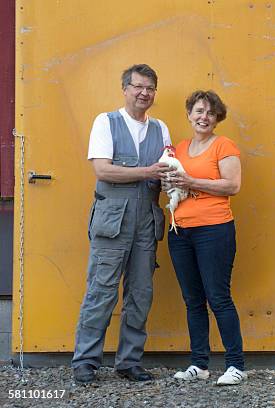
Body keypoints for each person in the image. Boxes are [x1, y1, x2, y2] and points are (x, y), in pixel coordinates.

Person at [72, 64, 172, 383]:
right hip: (112, 221)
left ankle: (129, 362)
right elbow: (103, 170)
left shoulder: (161, 128)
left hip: (147, 221)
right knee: (101, 291)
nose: (145, 93)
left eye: (150, 88)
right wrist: (148, 172)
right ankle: (86, 361)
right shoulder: (106, 122)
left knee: (140, 293)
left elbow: (166, 172)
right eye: (139, 87)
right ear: (125, 88)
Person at [165, 90, 246, 385]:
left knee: (219, 298)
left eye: (210, 113)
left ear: (217, 118)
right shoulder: (181, 148)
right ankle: (199, 364)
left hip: (214, 230)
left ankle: (236, 365)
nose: (204, 117)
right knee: (193, 300)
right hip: (180, 231)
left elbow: (232, 186)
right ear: (189, 114)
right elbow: (174, 181)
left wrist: (190, 181)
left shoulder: (224, 145)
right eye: (199, 111)